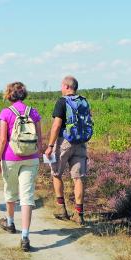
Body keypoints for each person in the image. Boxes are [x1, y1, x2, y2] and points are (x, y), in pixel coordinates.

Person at [0, 82, 43, 251]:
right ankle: (25, 236)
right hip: (31, 158)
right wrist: (40, 156)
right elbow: (40, 138)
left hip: (11, 157)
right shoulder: (33, 112)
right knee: (27, 197)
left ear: (9, 94)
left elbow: (2, 140)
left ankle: (10, 222)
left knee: (10, 191)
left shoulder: (6, 113)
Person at [43, 76, 93, 225]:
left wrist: (50, 146)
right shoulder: (83, 101)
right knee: (79, 178)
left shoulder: (62, 101)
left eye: (61, 86)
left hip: (64, 142)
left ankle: (61, 209)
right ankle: (79, 214)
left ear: (66, 86)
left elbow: (57, 125)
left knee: (56, 173)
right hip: (81, 143)